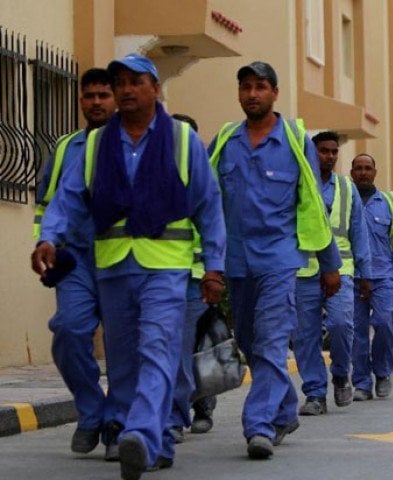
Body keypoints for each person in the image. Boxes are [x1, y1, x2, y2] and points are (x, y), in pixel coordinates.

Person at [31, 54, 226, 480]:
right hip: (113, 266)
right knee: (121, 360)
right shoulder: (97, 144)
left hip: (166, 268)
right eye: (120, 82)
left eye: (135, 81)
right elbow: (66, 197)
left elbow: (209, 207)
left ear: (155, 88)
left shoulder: (181, 140)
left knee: (157, 349)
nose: (125, 89)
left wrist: (214, 266)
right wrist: (49, 237)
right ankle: (135, 430)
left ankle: (142, 433)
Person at [207, 61, 342, 459]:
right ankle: (284, 409)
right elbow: (206, 201)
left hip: (280, 258)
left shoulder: (297, 141)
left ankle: (259, 426)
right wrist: (206, 262)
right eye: (246, 87)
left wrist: (329, 263)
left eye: (261, 87)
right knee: (249, 340)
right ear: (239, 93)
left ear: (275, 93)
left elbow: (314, 204)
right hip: (236, 260)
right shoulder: (225, 141)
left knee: (268, 340)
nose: (253, 94)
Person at [31, 68, 116, 455]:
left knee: (124, 345)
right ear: (80, 100)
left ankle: (119, 420)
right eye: (89, 96)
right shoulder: (66, 148)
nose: (96, 102)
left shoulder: (131, 143)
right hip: (77, 260)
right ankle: (91, 411)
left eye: (103, 95)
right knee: (68, 330)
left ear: (115, 99)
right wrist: (45, 242)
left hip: (122, 258)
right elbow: (49, 204)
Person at [294, 130, 371, 416]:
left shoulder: (347, 188)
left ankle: (340, 373)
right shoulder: (299, 184)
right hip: (304, 269)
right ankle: (314, 393)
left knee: (341, 325)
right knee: (305, 335)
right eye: (323, 151)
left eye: (333, 151)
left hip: (342, 269)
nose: (329, 156)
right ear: (312, 153)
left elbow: (358, 234)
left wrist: (366, 274)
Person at [350, 153, 393, 398]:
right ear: (351, 172)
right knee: (356, 332)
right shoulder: (345, 201)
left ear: (375, 172)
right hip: (353, 277)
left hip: (384, 276)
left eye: (368, 168)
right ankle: (361, 383)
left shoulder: (388, 202)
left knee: (385, 323)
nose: (363, 172)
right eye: (358, 168)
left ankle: (383, 372)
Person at [167, 114, 216, 442]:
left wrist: (214, 270)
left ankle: (188, 408)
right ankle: (189, 406)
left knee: (191, 345)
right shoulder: (160, 172)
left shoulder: (205, 176)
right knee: (181, 345)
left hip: (200, 276)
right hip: (168, 272)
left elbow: (215, 224)